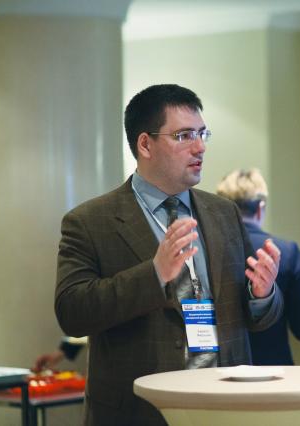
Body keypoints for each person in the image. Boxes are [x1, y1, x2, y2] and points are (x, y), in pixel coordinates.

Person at [55, 84, 283, 426]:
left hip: (226, 405)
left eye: (202, 134)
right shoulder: (90, 221)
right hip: (139, 411)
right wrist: (154, 274)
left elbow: (257, 317)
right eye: (184, 135)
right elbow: (72, 313)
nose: (200, 147)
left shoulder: (224, 213)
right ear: (145, 144)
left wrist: (262, 294)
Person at [216, 168, 300, 365]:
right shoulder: (285, 251)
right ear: (260, 208)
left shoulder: (207, 248)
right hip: (272, 368)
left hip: (219, 369)